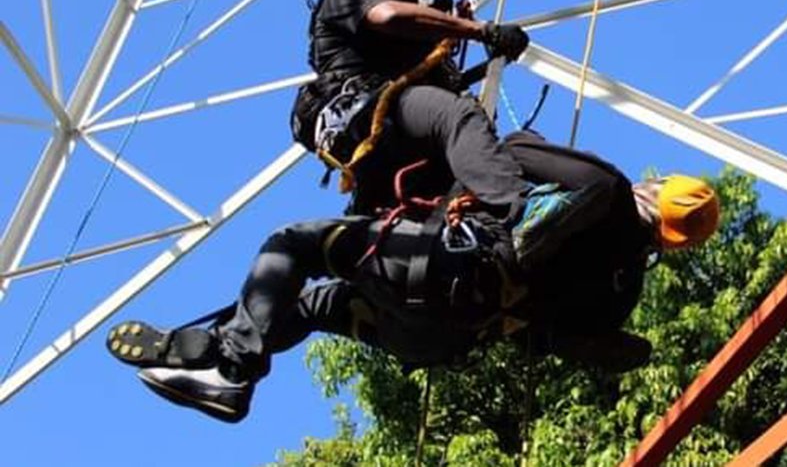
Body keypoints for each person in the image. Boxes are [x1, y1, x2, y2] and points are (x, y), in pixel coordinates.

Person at [106, 139, 720, 423]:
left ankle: (234, 369)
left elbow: (507, 152)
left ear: (655, 189)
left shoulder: (607, 187)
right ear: (672, 241)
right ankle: (219, 356)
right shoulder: (623, 291)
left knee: (294, 245)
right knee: (317, 306)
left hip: (440, 266)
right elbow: (548, 340)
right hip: (440, 339)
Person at [289, 0, 532, 222]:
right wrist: (480, 31)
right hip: (364, 113)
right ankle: (520, 212)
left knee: (513, 149)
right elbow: (388, 15)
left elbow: (448, 86)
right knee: (456, 114)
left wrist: (489, 59)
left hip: (408, 130)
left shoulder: (421, 34)